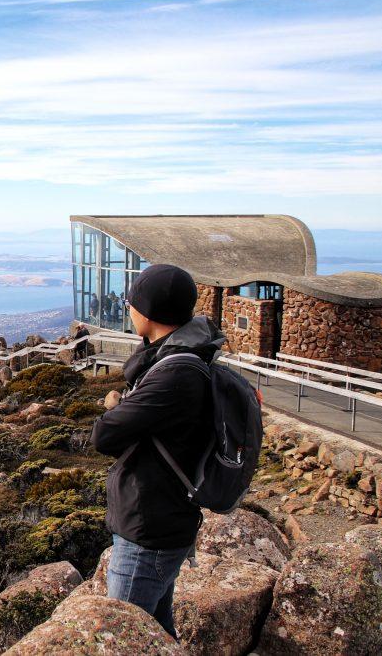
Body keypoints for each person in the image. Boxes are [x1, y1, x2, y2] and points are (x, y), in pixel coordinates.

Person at [90, 264, 224, 639]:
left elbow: (105, 436)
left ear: (146, 313)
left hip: (149, 531)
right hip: (160, 521)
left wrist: (115, 406)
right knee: (159, 632)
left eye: (132, 304)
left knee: (122, 637)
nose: (128, 310)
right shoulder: (176, 356)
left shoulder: (175, 374)